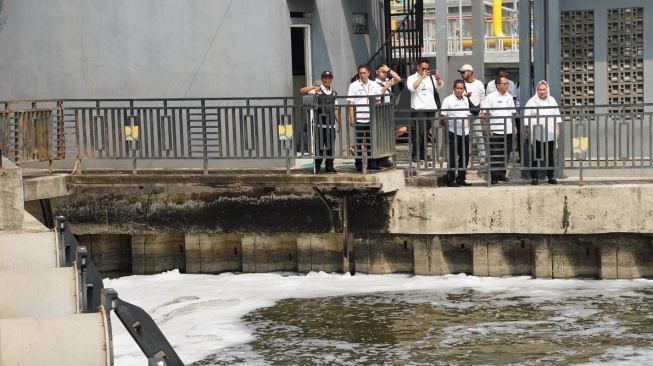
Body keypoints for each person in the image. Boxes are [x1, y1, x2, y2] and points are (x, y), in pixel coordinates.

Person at [299, 70, 340, 174]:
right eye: (325, 78)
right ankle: (317, 166)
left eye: (329, 78)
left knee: (330, 146)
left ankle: (329, 166)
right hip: (319, 124)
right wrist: (313, 87)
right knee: (319, 146)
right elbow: (302, 90)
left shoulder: (334, 92)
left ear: (331, 80)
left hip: (330, 124)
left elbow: (335, 109)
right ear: (322, 79)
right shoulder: (317, 90)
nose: (327, 80)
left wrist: (338, 122)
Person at [524, 80, 562, 185]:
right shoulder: (532, 101)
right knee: (536, 155)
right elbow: (527, 116)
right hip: (536, 132)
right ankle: (534, 177)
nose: (542, 92)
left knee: (550, 155)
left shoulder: (552, 100)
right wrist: (527, 130)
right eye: (540, 89)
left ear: (547, 90)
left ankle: (551, 176)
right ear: (537, 90)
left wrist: (557, 129)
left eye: (544, 89)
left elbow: (557, 116)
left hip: (549, 132)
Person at [481, 75, 517, 185]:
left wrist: (514, 125)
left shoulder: (509, 97)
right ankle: (494, 176)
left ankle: (502, 174)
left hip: (508, 129)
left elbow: (512, 113)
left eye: (507, 83)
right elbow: (485, 114)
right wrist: (489, 127)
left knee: (506, 152)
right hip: (495, 129)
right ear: (498, 85)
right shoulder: (490, 97)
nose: (507, 85)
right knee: (495, 153)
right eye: (505, 83)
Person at [406, 58, 443, 164]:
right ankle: (415, 154)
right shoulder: (412, 78)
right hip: (418, 108)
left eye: (427, 68)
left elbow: (440, 86)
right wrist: (422, 77)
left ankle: (423, 154)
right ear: (418, 67)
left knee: (426, 133)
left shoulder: (430, 78)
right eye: (423, 68)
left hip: (430, 108)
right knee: (420, 132)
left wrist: (437, 78)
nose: (426, 70)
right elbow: (412, 88)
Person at [348, 65, 382, 172]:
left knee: (371, 141)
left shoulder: (374, 84)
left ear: (368, 73)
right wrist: (352, 118)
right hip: (359, 117)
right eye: (360, 73)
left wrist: (377, 116)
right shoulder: (354, 85)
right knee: (358, 142)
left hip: (371, 117)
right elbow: (351, 102)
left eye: (364, 73)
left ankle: (372, 162)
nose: (362, 75)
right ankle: (358, 163)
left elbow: (378, 100)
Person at [441, 80, 472, 187]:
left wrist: (469, 130)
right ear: (454, 88)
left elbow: (468, 116)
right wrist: (446, 133)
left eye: (461, 88)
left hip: (464, 132)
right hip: (452, 132)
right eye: (457, 88)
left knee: (465, 157)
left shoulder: (466, 100)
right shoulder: (448, 100)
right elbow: (443, 117)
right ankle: (451, 180)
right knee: (452, 157)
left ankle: (461, 178)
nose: (459, 90)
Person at [374, 64, 402, 168]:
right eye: (382, 72)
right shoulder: (374, 84)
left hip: (387, 112)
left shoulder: (387, 82)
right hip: (378, 111)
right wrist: (386, 87)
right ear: (377, 72)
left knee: (386, 136)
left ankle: (384, 158)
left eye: (386, 72)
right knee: (378, 136)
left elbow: (398, 78)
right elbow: (377, 96)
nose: (384, 74)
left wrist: (389, 69)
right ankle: (377, 159)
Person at [458, 64, 486, 165]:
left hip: (476, 113)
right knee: (467, 136)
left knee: (478, 134)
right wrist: (463, 96)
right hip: (465, 114)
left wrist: (483, 112)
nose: (462, 74)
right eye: (461, 72)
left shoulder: (478, 83)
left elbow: (483, 97)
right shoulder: (461, 84)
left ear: (470, 72)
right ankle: (467, 157)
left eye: (463, 72)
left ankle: (482, 156)